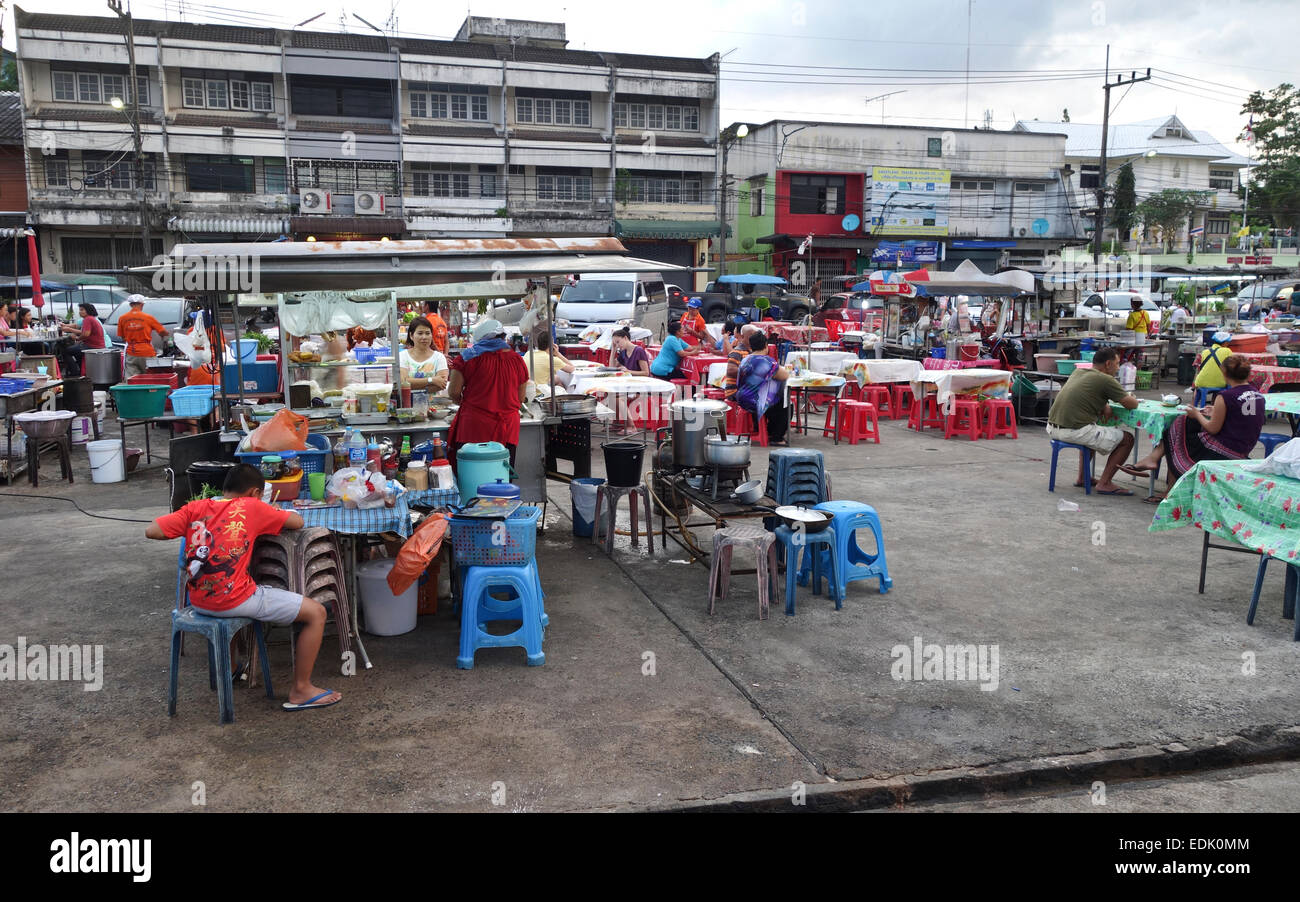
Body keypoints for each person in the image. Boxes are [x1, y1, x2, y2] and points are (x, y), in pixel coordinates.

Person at [145, 464, 341, 711]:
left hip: (199, 601)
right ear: (255, 493)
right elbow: (296, 521)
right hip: (233, 600)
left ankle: (233, 669)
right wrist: (270, 510)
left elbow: (151, 530)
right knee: (316, 614)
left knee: (236, 590)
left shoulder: (196, 508)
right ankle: (301, 689)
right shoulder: (253, 506)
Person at [1121, 355, 1265, 504]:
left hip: (1224, 450)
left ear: (1225, 373)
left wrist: (1197, 414)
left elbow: (1213, 429)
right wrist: (1215, 411)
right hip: (1244, 448)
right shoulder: (1258, 395)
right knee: (1183, 424)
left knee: (1179, 427)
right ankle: (1156, 464)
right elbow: (1241, 417)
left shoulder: (1226, 396)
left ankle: (1162, 475)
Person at [1045, 346, 1140, 496]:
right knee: (1127, 439)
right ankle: (1105, 483)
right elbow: (1131, 404)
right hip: (1074, 431)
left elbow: (1086, 393)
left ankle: (1083, 477)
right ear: (1108, 364)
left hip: (1052, 428)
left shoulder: (1079, 372)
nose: (1118, 367)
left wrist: (1105, 404)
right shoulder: (1106, 379)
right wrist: (1131, 397)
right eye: (1117, 363)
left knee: (1093, 427)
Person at [447, 318, 530, 471]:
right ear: (502, 337)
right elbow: (519, 399)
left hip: (474, 428)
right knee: (501, 478)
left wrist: (464, 402)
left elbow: (453, 392)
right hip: (507, 428)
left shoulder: (467, 357)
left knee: (473, 479)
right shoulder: (518, 360)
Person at [735, 331, 790, 444]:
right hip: (756, 402)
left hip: (741, 400)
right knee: (785, 402)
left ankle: (762, 429)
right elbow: (785, 375)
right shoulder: (767, 361)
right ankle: (776, 437)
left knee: (768, 394)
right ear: (766, 345)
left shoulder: (745, 359)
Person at [117, 294, 168, 378]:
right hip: (147, 352)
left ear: (130, 305)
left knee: (132, 379)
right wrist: (163, 337)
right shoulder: (148, 317)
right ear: (142, 304)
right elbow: (163, 331)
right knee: (150, 378)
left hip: (131, 352)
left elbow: (122, 337)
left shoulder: (122, 318)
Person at [400, 315, 450, 394]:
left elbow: (441, 384)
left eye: (427, 333)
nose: (424, 337)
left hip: (434, 405)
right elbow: (403, 382)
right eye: (420, 333)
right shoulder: (403, 356)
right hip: (408, 404)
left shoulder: (439, 357)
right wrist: (432, 380)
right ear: (411, 336)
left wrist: (413, 385)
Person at [58, 302, 106, 377]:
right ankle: (80, 371)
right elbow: (83, 331)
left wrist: (77, 338)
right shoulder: (90, 319)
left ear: (88, 310)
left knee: (66, 351)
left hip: (93, 346)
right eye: (80, 310)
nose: (80, 312)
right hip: (96, 345)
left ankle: (74, 373)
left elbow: (86, 334)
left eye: (82, 310)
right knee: (76, 351)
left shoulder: (88, 319)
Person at [723, 323, 759, 400]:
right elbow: (731, 370)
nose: (753, 338)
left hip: (746, 389)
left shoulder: (754, 351)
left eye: (755, 335)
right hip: (734, 391)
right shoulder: (737, 352)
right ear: (742, 337)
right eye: (751, 335)